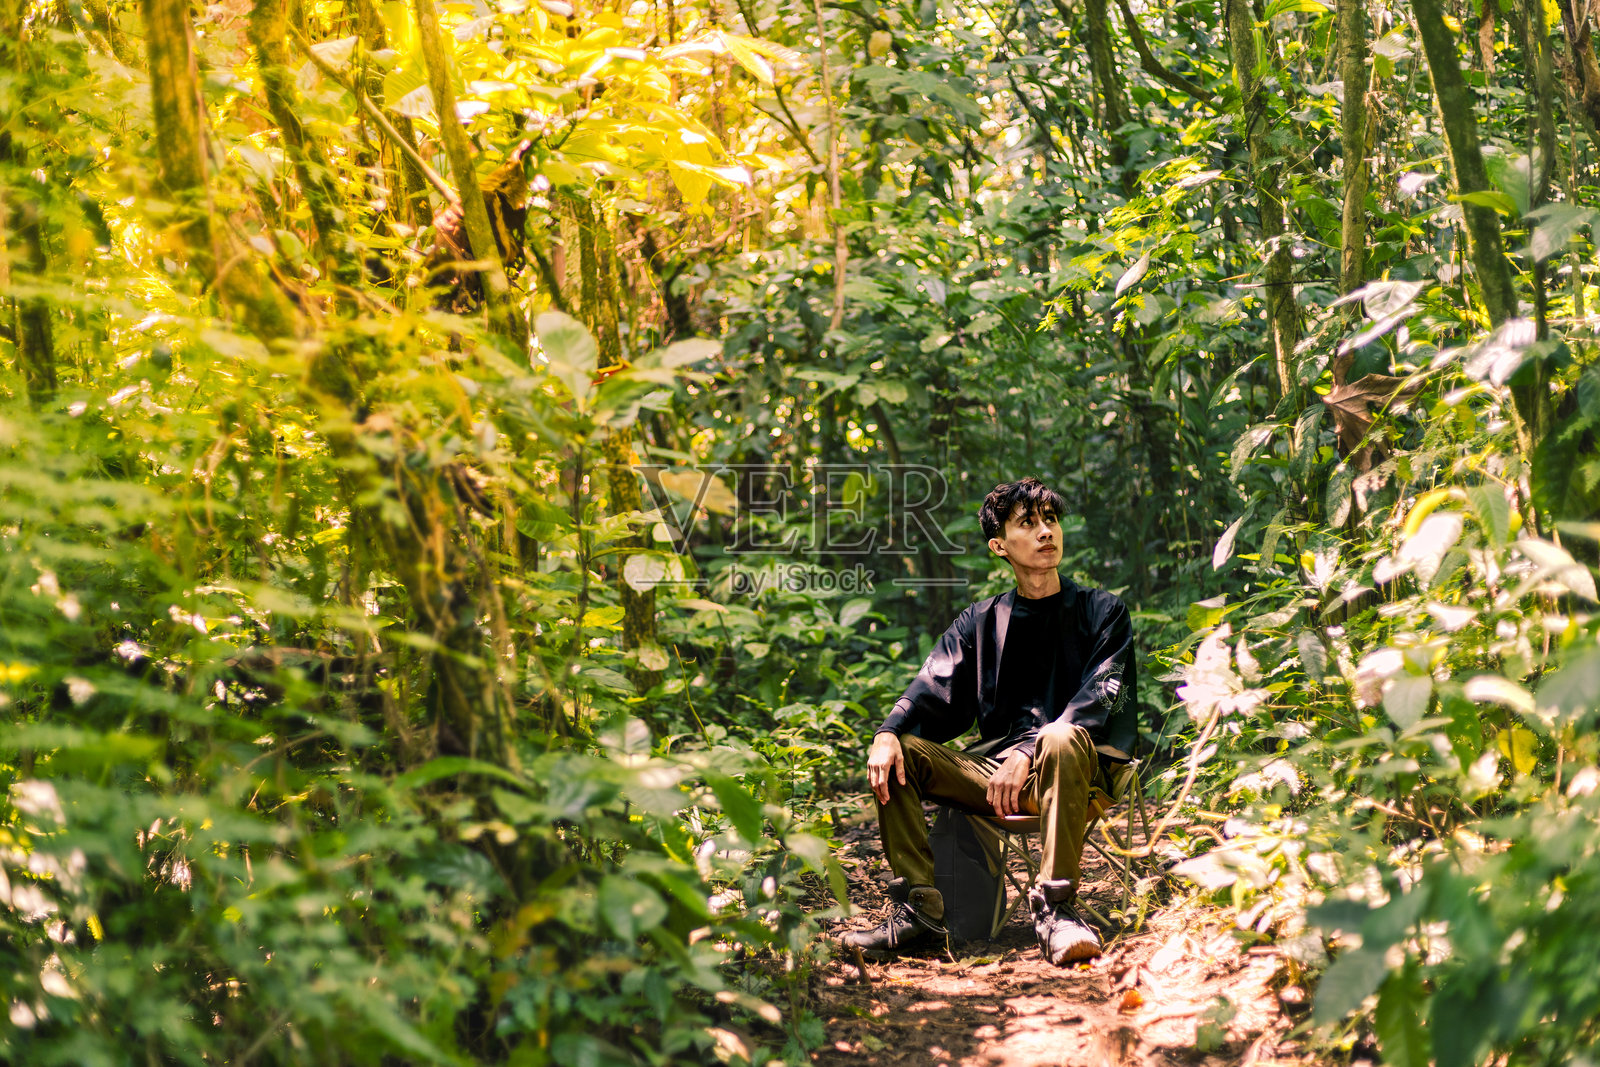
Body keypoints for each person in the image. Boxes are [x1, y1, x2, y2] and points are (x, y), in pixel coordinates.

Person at [839, 477, 1137, 966]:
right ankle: (920, 908)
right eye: (1029, 523)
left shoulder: (1102, 612)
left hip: (1072, 772)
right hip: (994, 777)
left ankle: (1056, 910)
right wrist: (888, 730)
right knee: (899, 754)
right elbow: (930, 687)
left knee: (1060, 736)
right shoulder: (981, 622)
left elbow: (1103, 698)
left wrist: (1028, 750)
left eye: (1051, 520)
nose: (1046, 533)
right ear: (999, 545)